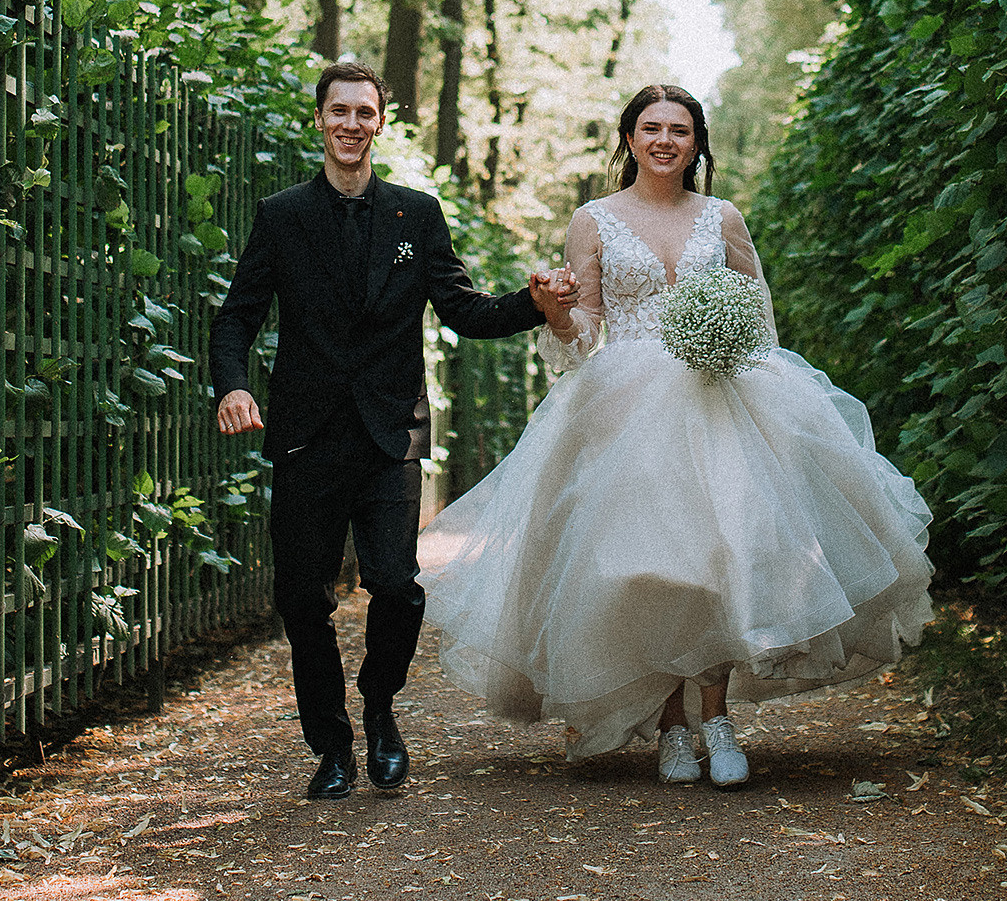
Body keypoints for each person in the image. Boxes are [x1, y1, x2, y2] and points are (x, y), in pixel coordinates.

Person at [420, 82, 932, 786]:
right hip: (627, 409)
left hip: (721, 399)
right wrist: (556, 313)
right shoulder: (593, 220)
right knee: (655, 565)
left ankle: (716, 720)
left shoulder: (722, 217)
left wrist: (739, 359)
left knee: (722, 558)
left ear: (697, 144)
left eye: (681, 130)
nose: (665, 141)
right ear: (628, 139)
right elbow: (584, 335)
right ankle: (669, 727)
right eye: (652, 127)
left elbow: (759, 319)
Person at [210, 60, 576, 800]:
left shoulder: (418, 212)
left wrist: (533, 303)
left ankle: (380, 713)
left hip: (390, 436)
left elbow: (464, 310)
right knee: (303, 599)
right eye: (338, 111)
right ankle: (332, 745)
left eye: (364, 113)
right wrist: (235, 385)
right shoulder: (282, 215)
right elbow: (237, 316)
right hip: (306, 436)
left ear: (381, 122)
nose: (351, 124)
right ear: (320, 119)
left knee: (397, 586)